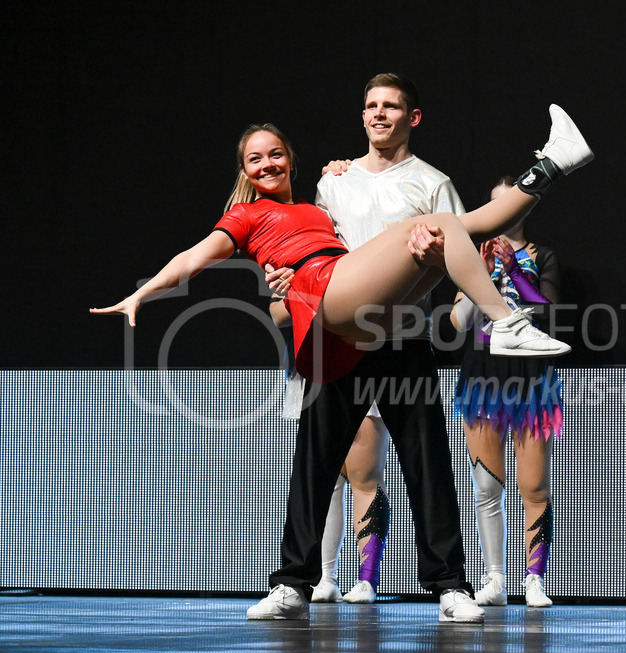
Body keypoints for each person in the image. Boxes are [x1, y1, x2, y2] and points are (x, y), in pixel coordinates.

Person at [91, 104, 594, 623]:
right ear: (244, 171)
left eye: (276, 155)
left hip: (391, 327)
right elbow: (195, 262)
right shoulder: (246, 214)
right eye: (255, 159)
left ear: (292, 160)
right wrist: (143, 295)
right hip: (331, 322)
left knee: (449, 234)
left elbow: (424, 242)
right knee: (316, 466)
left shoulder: (322, 202)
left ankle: (554, 163)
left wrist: (406, 240)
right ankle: (292, 583)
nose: (267, 164)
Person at [267, 74, 469, 608]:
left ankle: (449, 587)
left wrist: (436, 259)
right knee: (315, 463)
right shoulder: (335, 180)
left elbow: (460, 260)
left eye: (391, 106)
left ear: (412, 117)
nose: (379, 114)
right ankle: (293, 583)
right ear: (362, 116)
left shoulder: (432, 182)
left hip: (404, 341)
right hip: (338, 340)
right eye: (371, 106)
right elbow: (317, 254)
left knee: (428, 463)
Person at [450, 177, 563, 608]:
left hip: (531, 379)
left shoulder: (543, 256)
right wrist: (478, 277)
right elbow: (458, 323)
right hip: (482, 377)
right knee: (485, 487)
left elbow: (548, 314)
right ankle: (493, 577)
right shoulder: (470, 258)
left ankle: (535, 578)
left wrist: (515, 271)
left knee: (534, 485)